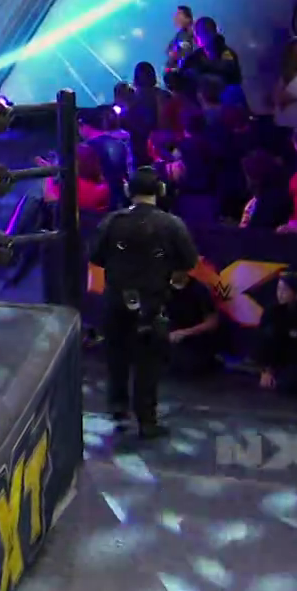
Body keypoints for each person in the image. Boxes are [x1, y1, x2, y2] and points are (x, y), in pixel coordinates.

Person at [90, 168, 200, 439]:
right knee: (148, 363)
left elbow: (96, 256)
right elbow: (189, 260)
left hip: (117, 300)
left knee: (116, 357)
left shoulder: (112, 222)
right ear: (160, 191)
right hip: (151, 302)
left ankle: (118, 408)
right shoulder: (172, 224)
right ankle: (146, 420)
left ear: (129, 191)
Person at [165, 5, 196, 72]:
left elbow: (186, 53)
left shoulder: (184, 35)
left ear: (188, 19)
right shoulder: (180, 35)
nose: (175, 17)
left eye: (178, 14)